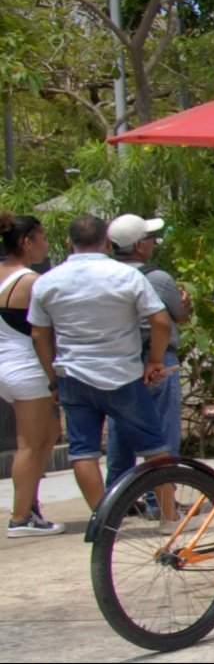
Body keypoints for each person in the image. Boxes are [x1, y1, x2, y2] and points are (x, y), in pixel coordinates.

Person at [28, 215, 174, 515]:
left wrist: (52, 380)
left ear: (69, 243)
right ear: (107, 242)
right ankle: (170, 518)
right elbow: (160, 322)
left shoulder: (46, 282)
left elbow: (39, 335)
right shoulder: (128, 277)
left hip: (73, 377)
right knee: (155, 450)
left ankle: (103, 520)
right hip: (124, 375)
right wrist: (155, 360)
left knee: (84, 453)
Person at [105, 214, 191, 499]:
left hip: (121, 361)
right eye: (151, 238)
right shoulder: (157, 277)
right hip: (157, 359)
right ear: (140, 246)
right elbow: (178, 317)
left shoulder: (106, 276)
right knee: (163, 430)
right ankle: (160, 498)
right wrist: (185, 305)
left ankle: (119, 497)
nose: (155, 242)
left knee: (120, 431)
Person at [1, 211, 65, 537]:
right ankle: (21, 517)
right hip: (27, 368)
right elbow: (46, 332)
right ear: (27, 242)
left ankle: (30, 506)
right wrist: (54, 379)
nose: (47, 244)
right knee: (28, 444)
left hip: (5, 368)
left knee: (51, 430)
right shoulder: (32, 282)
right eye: (43, 238)